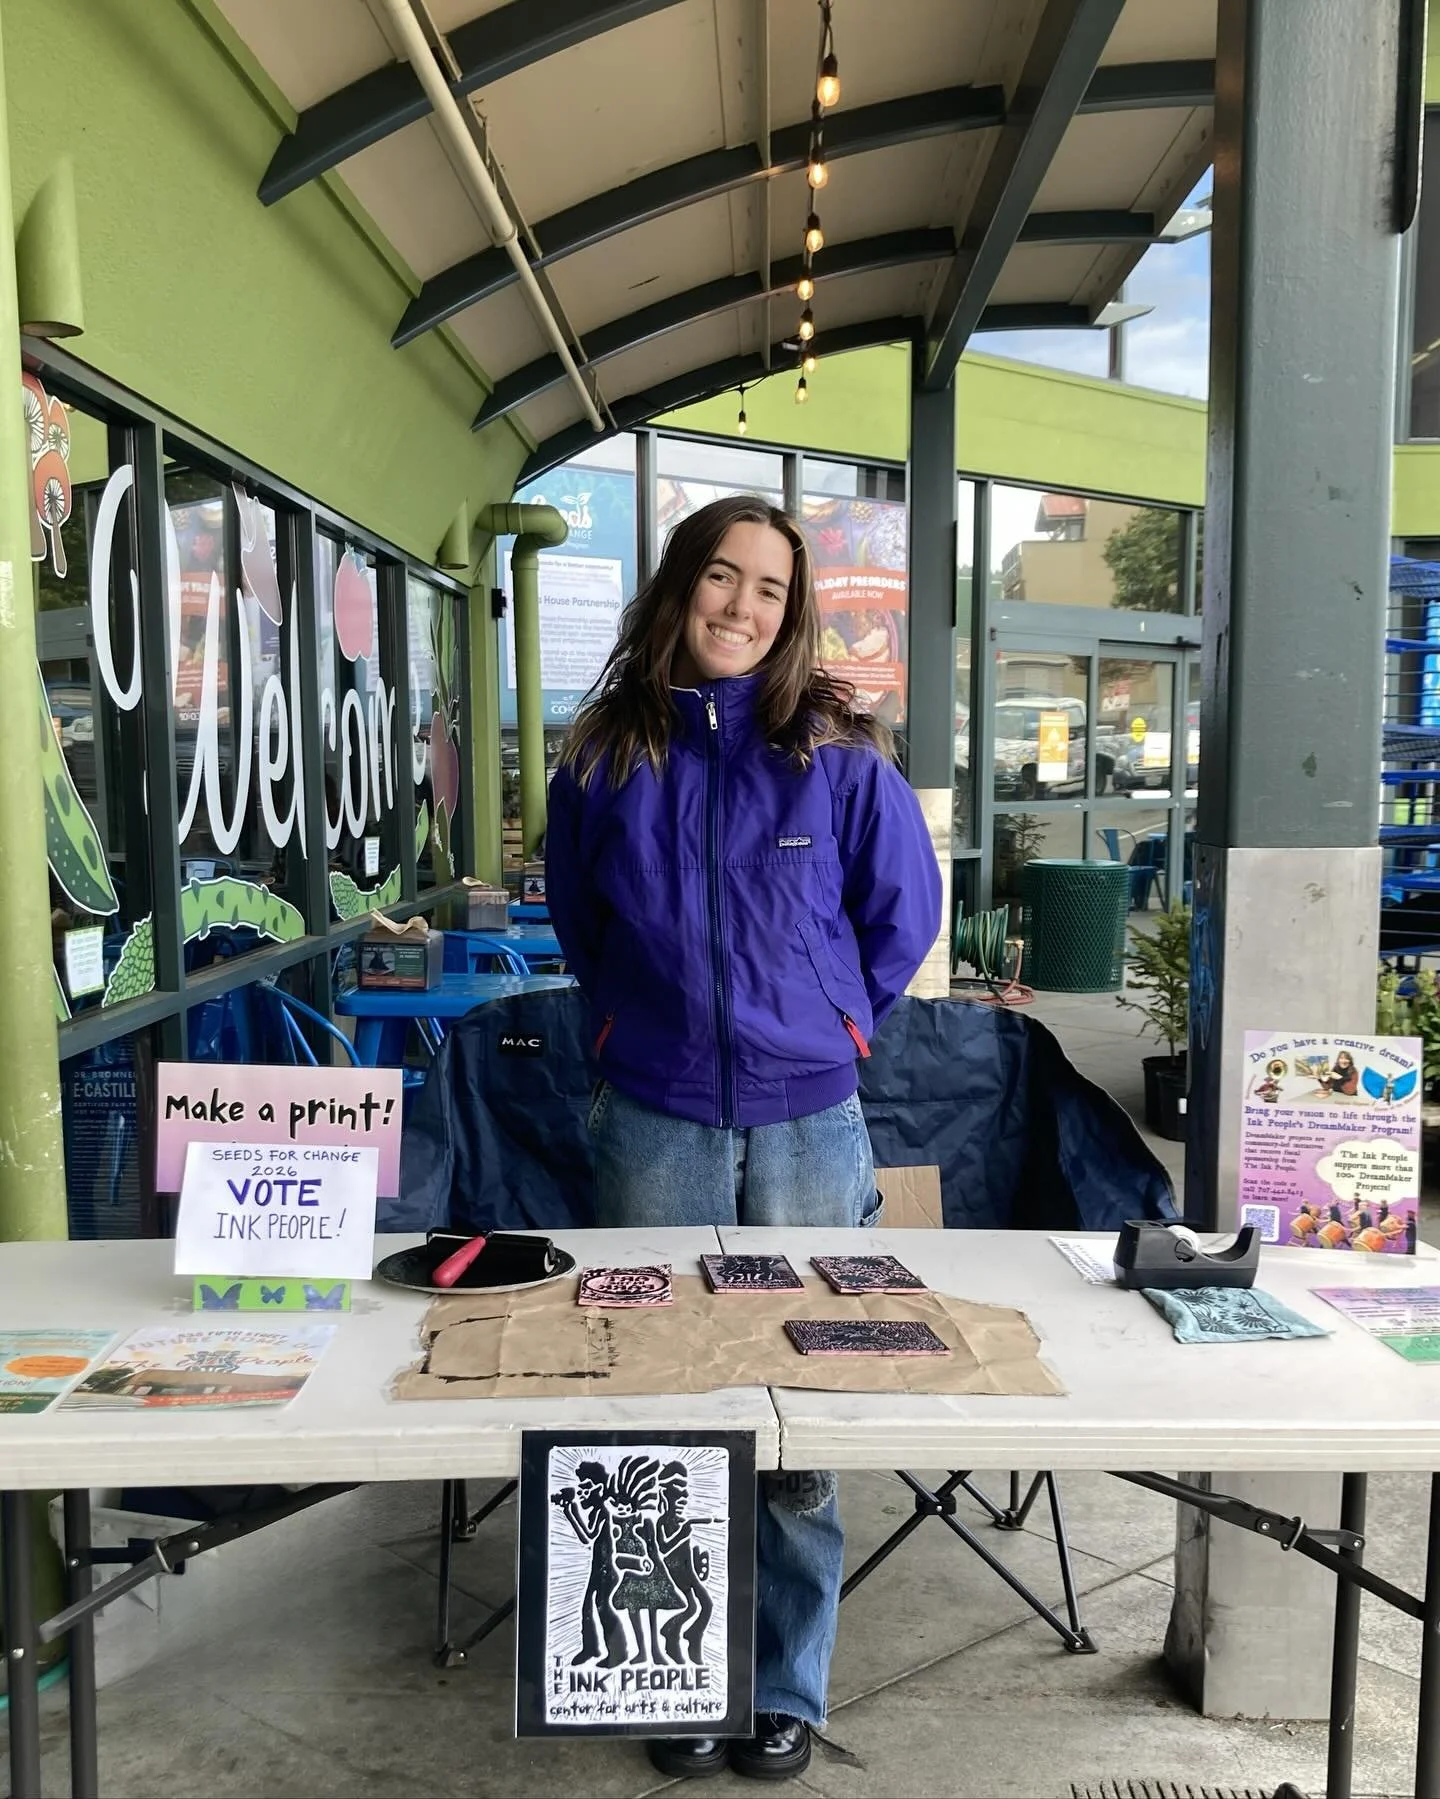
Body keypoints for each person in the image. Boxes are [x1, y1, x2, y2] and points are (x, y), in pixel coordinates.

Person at [546, 493, 941, 1782]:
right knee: (658, 1398)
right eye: (722, 579)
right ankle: (671, 1673)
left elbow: (900, 915)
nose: (741, 607)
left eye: (769, 590)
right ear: (680, 589)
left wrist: (829, 1024)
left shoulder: (832, 754)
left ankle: (784, 1685)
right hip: (654, 1121)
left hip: (807, 1131)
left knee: (799, 1413)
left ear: (792, 613)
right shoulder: (605, 756)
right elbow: (582, 929)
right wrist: (634, 1035)